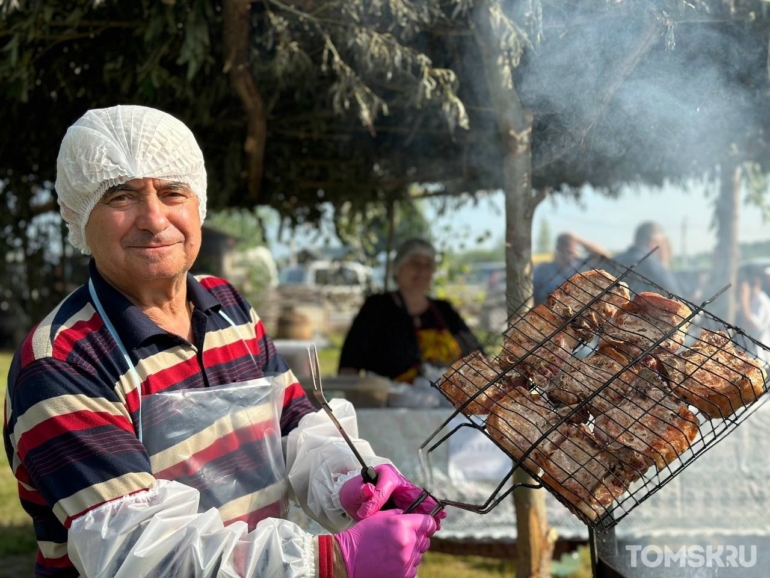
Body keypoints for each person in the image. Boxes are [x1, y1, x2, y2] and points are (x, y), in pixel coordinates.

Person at [3, 105, 442, 578]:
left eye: (173, 191)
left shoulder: (226, 303)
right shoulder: (61, 364)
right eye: (121, 196)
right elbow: (138, 552)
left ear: (199, 203)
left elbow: (291, 423)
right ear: (77, 212)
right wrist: (328, 561)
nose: (153, 218)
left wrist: (350, 478)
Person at [338, 238, 481, 383]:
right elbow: (349, 364)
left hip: (445, 402)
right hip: (389, 403)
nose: (422, 270)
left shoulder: (444, 310)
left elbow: (476, 355)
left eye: (428, 264)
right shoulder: (377, 307)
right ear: (398, 268)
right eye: (415, 262)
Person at [533, 232, 609, 305]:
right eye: (566, 251)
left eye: (572, 252)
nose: (569, 256)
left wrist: (578, 240)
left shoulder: (581, 266)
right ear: (558, 251)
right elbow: (531, 297)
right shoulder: (543, 270)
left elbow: (604, 255)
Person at [613, 221, 685, 297]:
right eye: (662, 242)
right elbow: (677, 299)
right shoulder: (655, 266)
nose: (664, 248)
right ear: (653, 242)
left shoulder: (615, 260)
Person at [739, 266, 770, 365]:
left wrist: (744, 300)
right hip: (749, 356)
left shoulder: (761, 300)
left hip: (759, 358)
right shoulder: (752, 300)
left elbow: (754, 324)